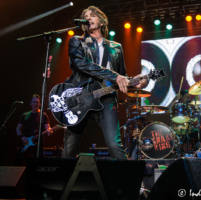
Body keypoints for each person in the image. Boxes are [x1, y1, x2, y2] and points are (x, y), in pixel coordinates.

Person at [62, 6, 146, 160]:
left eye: (92, 15)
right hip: (81, 97)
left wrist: (135, 83)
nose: (88, 18)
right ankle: (62, 182)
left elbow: (122, 77)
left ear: (101, 21)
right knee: (70, 145)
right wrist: (116, 76)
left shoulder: (116, 48)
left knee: (114, 144)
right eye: (85, 16)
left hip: (106, 98)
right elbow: (83, 65)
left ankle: (128, 182)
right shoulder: (77, 42)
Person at [14, 94, 52, 166]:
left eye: (37, 102)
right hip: (25, 143)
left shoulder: (43, 115)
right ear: (30, 103)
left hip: (38, 144)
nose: (35, 104)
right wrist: (21, 137)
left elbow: (48, 128)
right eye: (34, 102)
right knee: (17, 163)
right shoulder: (25, 115)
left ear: (40, 104)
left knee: (39, 165)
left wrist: (50, 131)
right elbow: (18, 128)